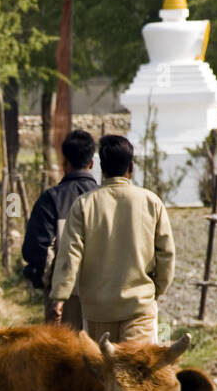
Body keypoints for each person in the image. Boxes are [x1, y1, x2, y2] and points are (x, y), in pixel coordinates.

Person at [46, 134, 174, 342]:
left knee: (101, 372)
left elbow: (70, 256)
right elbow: (166, 255)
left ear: (101, 168)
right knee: (135, 372)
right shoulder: (152, 202)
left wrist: (59, 297)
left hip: (97, 313)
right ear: (131, 167)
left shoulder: (84, 205)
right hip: (138, 309)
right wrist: (155, 291)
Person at [21, 130, 99, 327]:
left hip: (62, 301)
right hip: (104, 297)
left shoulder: (51, 200)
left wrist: (52, 283)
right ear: (91, 163)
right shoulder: (105, 199)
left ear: (64, 162)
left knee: (63, 355)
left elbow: (35, 250)